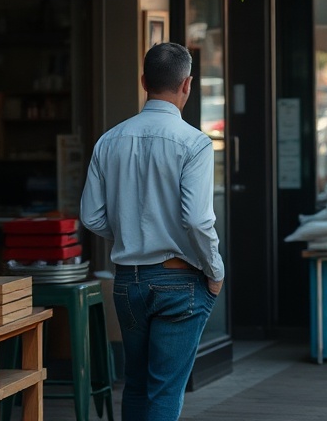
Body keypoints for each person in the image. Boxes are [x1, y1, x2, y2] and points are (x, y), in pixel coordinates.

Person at [81, 43, 224, 420]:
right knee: (164, 390)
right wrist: (215, 271)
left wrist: (131, 235)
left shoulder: (109, 140)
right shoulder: (195, 143)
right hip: (179, 280)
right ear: (187, 85)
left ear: (144, 81)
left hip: (128, 281)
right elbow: (197, 220)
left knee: (137, 384)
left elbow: (91, 217)